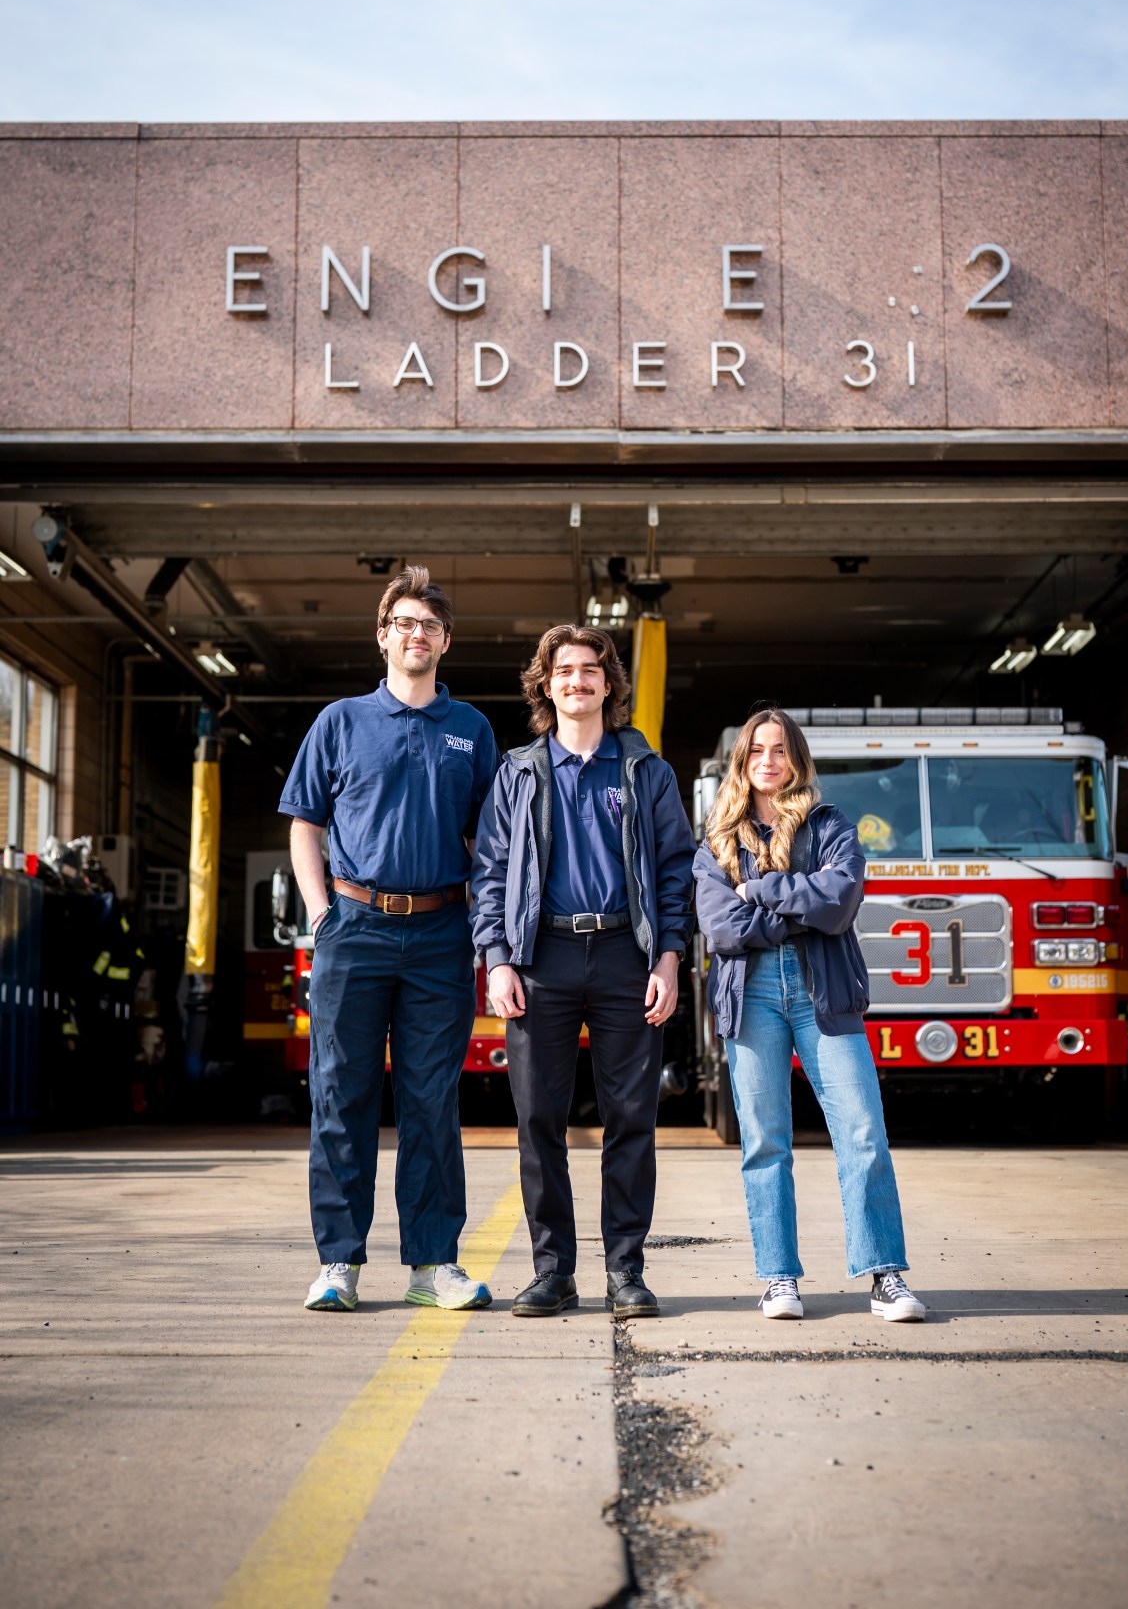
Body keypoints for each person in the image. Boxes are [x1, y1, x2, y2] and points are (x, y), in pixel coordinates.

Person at [279, 565, 499, 1312]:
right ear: (382, 635)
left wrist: (485, 927)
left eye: (430, 626)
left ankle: (433, 1266)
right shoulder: (339, 721)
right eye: (404, 623)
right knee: (341, 1094)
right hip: (354, 928)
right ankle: (338, 1262)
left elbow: (491, 841)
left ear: (445, 643)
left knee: (431, 1100)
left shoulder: (471, 731)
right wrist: (320, 913)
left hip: (441, 932)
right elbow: (304, 823)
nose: (417, 635)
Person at [471, 624, 695, 1320]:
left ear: (609, 683)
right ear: (546, 684)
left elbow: (674, 869)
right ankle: (552, 1272)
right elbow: (491, 872)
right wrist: (497, 957)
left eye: (590, 670)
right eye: (564, 671)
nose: (578, 681)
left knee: (632, 1117)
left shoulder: (644, 771)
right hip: (543, 959)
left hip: (628, 955)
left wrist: (669, 955)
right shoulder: (517, 772)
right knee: (539, 1117)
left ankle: (626, 1271)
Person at [693, 708, 925, 1324]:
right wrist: (797, 903)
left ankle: (885, 1276)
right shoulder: (718, 840)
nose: (769, 761)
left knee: (862, 1132)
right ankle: (778, 1280)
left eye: (780, 750)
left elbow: (841, 900)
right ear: (742, 762)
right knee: (766, 1140)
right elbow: (722, 927)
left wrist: (760, 891)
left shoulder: (829, 825)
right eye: (757, 751)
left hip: (825, 992)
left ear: (797, 760)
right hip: (754, 995)